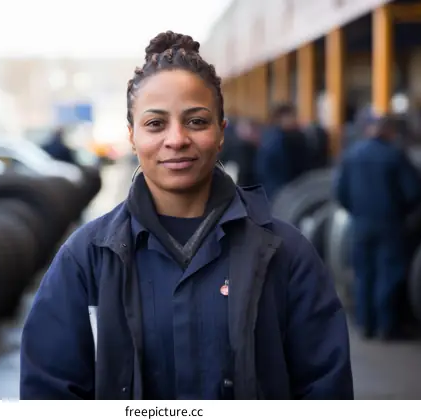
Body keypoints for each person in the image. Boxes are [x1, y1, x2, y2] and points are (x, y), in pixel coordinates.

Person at [20, 31, 353, 400]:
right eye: (155, 124)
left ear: (221, 132)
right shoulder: (86, 260)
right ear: (132, 136)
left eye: (196, 121)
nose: (176, 139)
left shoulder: (286, 255)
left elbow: (325, 391)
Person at [334, 115, 421, 340]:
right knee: (389, 274)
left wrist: (357, 211)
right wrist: (402, 212)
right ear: (389, 131)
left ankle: (365, 324)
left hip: (361, 224)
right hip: (390, 224)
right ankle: (387, 327)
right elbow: (415, 192)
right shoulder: (394, 155)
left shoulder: (351, 155)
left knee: (363, 274)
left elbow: (340, 192)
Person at [254, 103, 311, 201]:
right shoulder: (279, 140)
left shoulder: (269, 136)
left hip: (270, 190)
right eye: (293, 117)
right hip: (278, 191)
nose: (296, 120)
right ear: (282, 118)